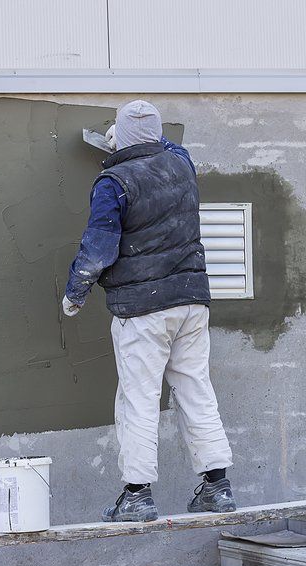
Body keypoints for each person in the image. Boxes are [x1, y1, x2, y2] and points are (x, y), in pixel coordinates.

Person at [62, 101, 235, 522]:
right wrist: (132, 143)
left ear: (118, 134)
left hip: (143, 310)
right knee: (195, 389)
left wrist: (75, 292)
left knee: (138, 398)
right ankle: (218, 487)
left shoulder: (113, 183)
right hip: (192, 301)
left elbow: (98, 249)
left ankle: (137, 496)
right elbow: (168, 148)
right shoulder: (182, 164)